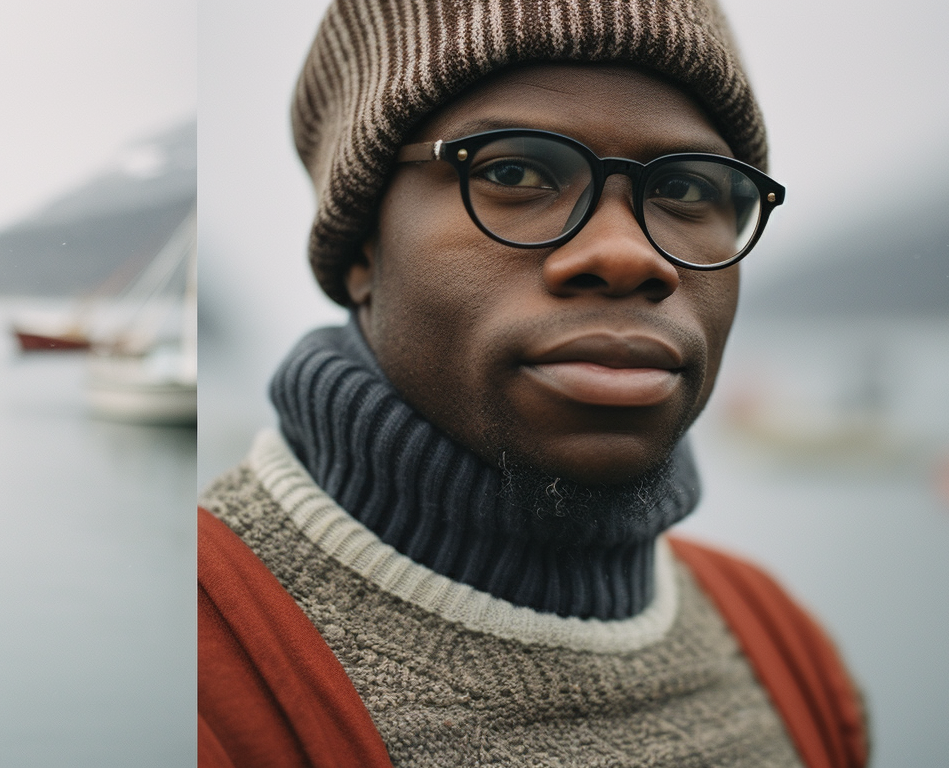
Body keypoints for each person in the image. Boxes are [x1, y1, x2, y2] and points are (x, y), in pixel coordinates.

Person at [198, 1, 866, 766]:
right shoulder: (205, 666)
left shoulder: (789, 652)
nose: (625, 254)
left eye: (686, 189)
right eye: (513, 172)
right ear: (362, 249)